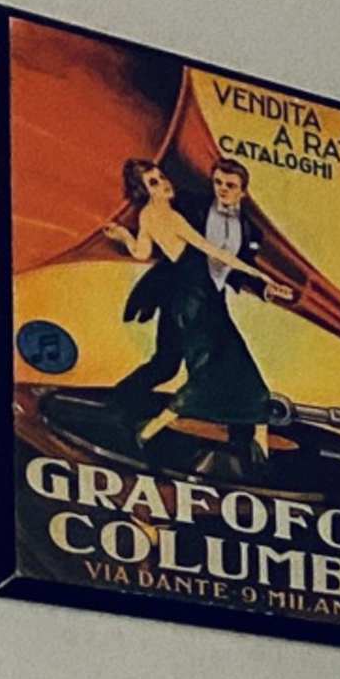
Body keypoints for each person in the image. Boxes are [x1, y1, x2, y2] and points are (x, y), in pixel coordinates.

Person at [98, 157, 280, 455]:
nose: (164, 183)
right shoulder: (171, 216)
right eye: (154, 182)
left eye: (162, 176)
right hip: (197, 299)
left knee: (234, 358)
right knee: (211, 368)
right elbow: (213, 251)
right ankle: (147, 428)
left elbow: (141, 252)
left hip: (195, 298)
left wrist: (124, 235)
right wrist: (261, 275)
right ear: (145, 190)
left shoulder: (148, 215)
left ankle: (259, 438)